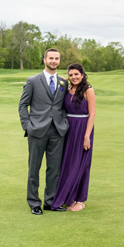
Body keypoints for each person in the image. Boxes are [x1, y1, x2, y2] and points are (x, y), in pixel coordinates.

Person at [19, 48, 69, 215]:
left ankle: (50, 202)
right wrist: (27, 125)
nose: (54, 61)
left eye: (56, 58)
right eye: (51, 58)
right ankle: (34, 203)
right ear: (44, 60)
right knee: (34, 168)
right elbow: (22, 105)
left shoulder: (64, 82)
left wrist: (65, 124)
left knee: (54, 169)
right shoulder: (33, 80)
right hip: (37, 130)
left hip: (57, 131)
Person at [51, 63, 95, 212]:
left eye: (76, 74)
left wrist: (87, 137)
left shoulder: (88, 90)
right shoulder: (68, 89)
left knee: (80, 164)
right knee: (68, 164)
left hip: (83, 129)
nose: (74, 77)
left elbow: (92, 115)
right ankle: (68, 197)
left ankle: (80, 200)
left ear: (82, 75)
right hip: (68, 129)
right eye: (71, 75)